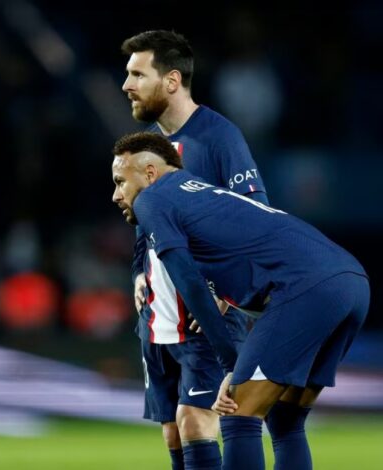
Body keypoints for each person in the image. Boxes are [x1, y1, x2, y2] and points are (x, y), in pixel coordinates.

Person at [111, 132, 370, 470]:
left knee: (237, 412)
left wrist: (230, 365)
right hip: (352, 281)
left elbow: (188, 281)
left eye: (120, 181)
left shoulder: (152, 199)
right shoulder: (201, 192)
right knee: (285, 421)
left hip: (305, 289)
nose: (117, 195)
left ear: (149, 173)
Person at [120, 30, 268, 470]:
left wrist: (228, 292)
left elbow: (255, 219)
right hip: (158, 313)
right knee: (172, 429)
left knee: (195, 421)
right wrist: (138, 273)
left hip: (207, 314)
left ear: (171, 80)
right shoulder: (148, 147)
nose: (126, 85)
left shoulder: (219, 137)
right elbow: (143, 221)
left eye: (137, 74)